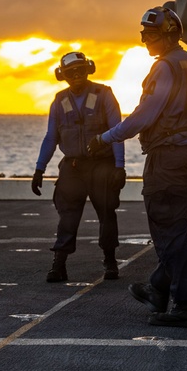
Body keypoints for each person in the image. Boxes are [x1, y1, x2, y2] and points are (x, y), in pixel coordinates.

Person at [88, 6, 187, 328]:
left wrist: (103, 138)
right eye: (144, 34)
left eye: (150, 34)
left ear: (168, 35)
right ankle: (157, 288)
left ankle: (186, 305)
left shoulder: (164, 68)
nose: (144, 39)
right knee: (176, 229)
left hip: (168, 161)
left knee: (171, 235)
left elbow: (143, 117)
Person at [32, 51, 125, 283]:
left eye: (80, 70)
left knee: (106, 213)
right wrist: (39, 169)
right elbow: (51, 137)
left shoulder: (104, 95)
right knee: (67, 217)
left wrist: (119, 166)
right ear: (61, 75)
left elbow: (117, 132)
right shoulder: (59, 102)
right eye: (70, 72)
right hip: (72, 167)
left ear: (89, 70)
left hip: (101, 165)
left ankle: (110, 261)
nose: (76, 76)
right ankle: (59, 264)